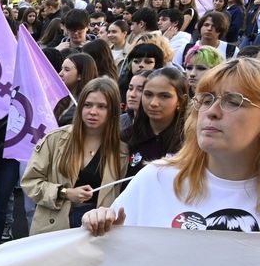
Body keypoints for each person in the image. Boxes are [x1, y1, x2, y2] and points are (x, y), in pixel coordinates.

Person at [85, 57, 260, 235]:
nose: (211, 111)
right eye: (206, 100)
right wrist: (100, 228)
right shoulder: (156, 178)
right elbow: (108, 247)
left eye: (233, 101)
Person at [23, 77, 127, 233]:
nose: (93, 112)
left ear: (112, 111)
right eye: (87, 105)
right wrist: (65, 193)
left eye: (102, 106)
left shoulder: (121, 151)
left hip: (96, 230)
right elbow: (30, 182)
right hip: (54, 226)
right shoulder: (55, 139)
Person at [123, 68, 187, 178]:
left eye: (164, 96)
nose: (154, 103)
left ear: (181, 100)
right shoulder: (126, 137)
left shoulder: (190, 142)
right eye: (148, 94)